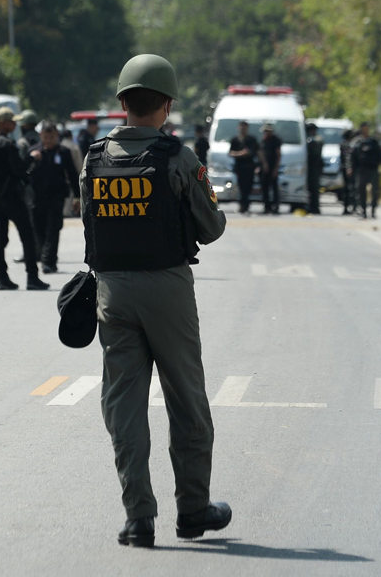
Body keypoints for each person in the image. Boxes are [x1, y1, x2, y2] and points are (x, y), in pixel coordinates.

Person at [81, 53, 230, 549]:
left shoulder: (93, 157)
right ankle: (192, 510)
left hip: (112, 292)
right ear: (165, 105)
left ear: (122, 102)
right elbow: (212, 228)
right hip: (166, 287)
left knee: (123, 404)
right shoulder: (178, 158)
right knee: (186, 397)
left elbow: (89, 225)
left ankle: (137, 518)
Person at [0, 107, 48, 290]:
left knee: (0, 238)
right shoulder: (8, 145)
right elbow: (18, 169)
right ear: (3, 123)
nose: (15, 124)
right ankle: (32, 278)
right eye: (12, 121)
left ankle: (2, 278)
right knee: (27, 235)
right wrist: (32, 158)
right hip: (11, 196)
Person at [29, 121, 80, 274]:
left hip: (56, 197)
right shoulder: (34, 152)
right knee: (39, 230)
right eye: (46, 137)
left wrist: (77, 196)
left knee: (53, 229)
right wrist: (32, 160)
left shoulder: (63, 152)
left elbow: (72, 174)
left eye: (52, 137)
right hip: (37, 198)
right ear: (41, 136)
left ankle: (48, 261)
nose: (49, 140)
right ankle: (47, 257)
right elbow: (24, 173)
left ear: (57, 136)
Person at [351, 122, 381, 219]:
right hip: (362, 170)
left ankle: (373, 210)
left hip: (373, 169)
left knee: (374, 191)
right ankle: (363, 210)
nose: (365, 130)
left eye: (367, 128)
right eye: (363, 128)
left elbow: (380, 154)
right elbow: (353, 157)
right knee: (361, 191)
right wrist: (352, 168)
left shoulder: (373, 142)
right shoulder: (357, 142)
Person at [227, 121, 258, 215]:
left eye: (244, 128)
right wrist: (241, 153)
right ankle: (243, 205)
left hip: (249, 167)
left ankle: (246, 205)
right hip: (239, 167)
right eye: (241, 127)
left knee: (248, 186)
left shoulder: (251, 139)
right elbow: (230, 153)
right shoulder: (235, 140)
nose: (242, 129)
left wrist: (241, 153)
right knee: (241, 186)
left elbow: (251, 152)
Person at [258, 122, 282, 214]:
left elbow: (278, 155)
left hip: (273, 167)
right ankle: (266, 206)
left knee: (274, 188)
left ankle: (275, 206)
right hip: (264, 167)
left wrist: (276, 168)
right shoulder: (263, 141)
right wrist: (263, 165)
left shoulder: (275, 140)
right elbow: (260, 153)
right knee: (265, 188)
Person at [305, 122, 323, 215]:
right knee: (309, 188)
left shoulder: (316, 140)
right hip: (309, 167)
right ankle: (309, 206)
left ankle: (315, 207)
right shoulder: (309, 139)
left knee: (314, 188)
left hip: (315, 167)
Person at [339, 128, 356, 215]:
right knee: (351, 189)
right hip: (349, 169)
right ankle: (350, 207)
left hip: (345, 169)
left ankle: (348, 208)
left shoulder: (343, 144)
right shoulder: (348, 145)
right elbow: (347, 158)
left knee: (347, 189)